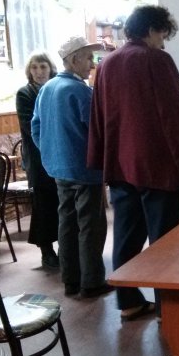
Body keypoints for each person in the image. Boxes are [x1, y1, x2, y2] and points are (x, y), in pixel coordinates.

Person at [88, 5, 179, 321]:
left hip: (121, 164)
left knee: (126, 236)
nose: (163, 41)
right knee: (166, 241)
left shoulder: (107, 64)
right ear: (151, 30)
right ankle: (167, 308)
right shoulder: (157, 60)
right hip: (158, 165)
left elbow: (99, 116)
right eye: (162, 34)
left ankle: (128, 302)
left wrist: (102, 158)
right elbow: (172, 116)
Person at [32, 36, 111, 299]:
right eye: (88, 58)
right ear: (74, 59)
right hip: (85, 170)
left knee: (66, 223)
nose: (92, 64)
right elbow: (98, 131)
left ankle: (70, 280)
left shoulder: (47, 88)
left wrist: (50, 153)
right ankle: (92, 282)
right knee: (90, 226)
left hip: (58, 168)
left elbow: (36, 127)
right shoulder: (80, 91)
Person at [15, 51, 60, 269]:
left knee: (61, 202)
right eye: (34, 67)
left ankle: (65, 247)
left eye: (43, 67)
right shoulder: (25, 93)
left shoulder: (56, 88)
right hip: (37, 156)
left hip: (59, 154)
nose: (39, 71)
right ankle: (46, 251)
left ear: (50, 69)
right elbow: (29, 125)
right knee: (43, 204)